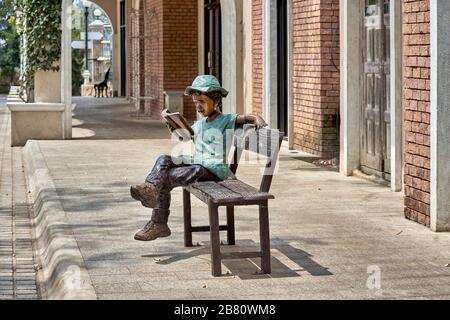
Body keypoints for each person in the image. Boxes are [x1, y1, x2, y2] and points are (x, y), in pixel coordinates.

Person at [130, 75, 268, 241]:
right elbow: (186, 136)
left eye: (202, 102)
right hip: (198, 164)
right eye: (196, 103)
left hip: (213, 169)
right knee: (164, 159)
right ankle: (150, 188)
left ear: (216, 100)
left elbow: (245, 118)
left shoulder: (226, 120)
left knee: (167, 178)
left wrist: (257, 118)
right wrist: (173, 126)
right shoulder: (200, 124)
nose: (199, 107)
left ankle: (158, 222)